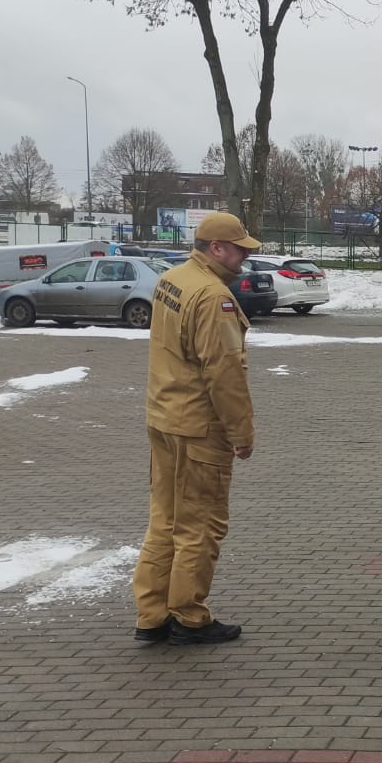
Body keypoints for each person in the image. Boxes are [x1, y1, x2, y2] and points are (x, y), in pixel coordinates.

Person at [131, 211, 260, 646]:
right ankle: (189, 616)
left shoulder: (173, 279)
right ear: (217, 248)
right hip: (198, 428)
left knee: (165, 520)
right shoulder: (212, 296)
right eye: (239, 249)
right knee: (200, 524)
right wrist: (241, 433)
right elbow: (224, 373)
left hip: (164, 418)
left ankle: (152, 614)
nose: (244, 257)